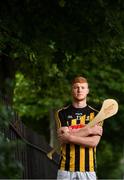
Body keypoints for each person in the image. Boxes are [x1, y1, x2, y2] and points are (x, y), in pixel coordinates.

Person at [55, 76, 103, 180]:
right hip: (65, 169)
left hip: (88, 170)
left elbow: (93, 142)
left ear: (87, 91)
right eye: (76, 87)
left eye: (82, 87)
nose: (79, 90)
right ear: (72, 90)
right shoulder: (61, 113)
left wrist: (69, 137)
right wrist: (89, 130)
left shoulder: (97, 115)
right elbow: (63, 137)